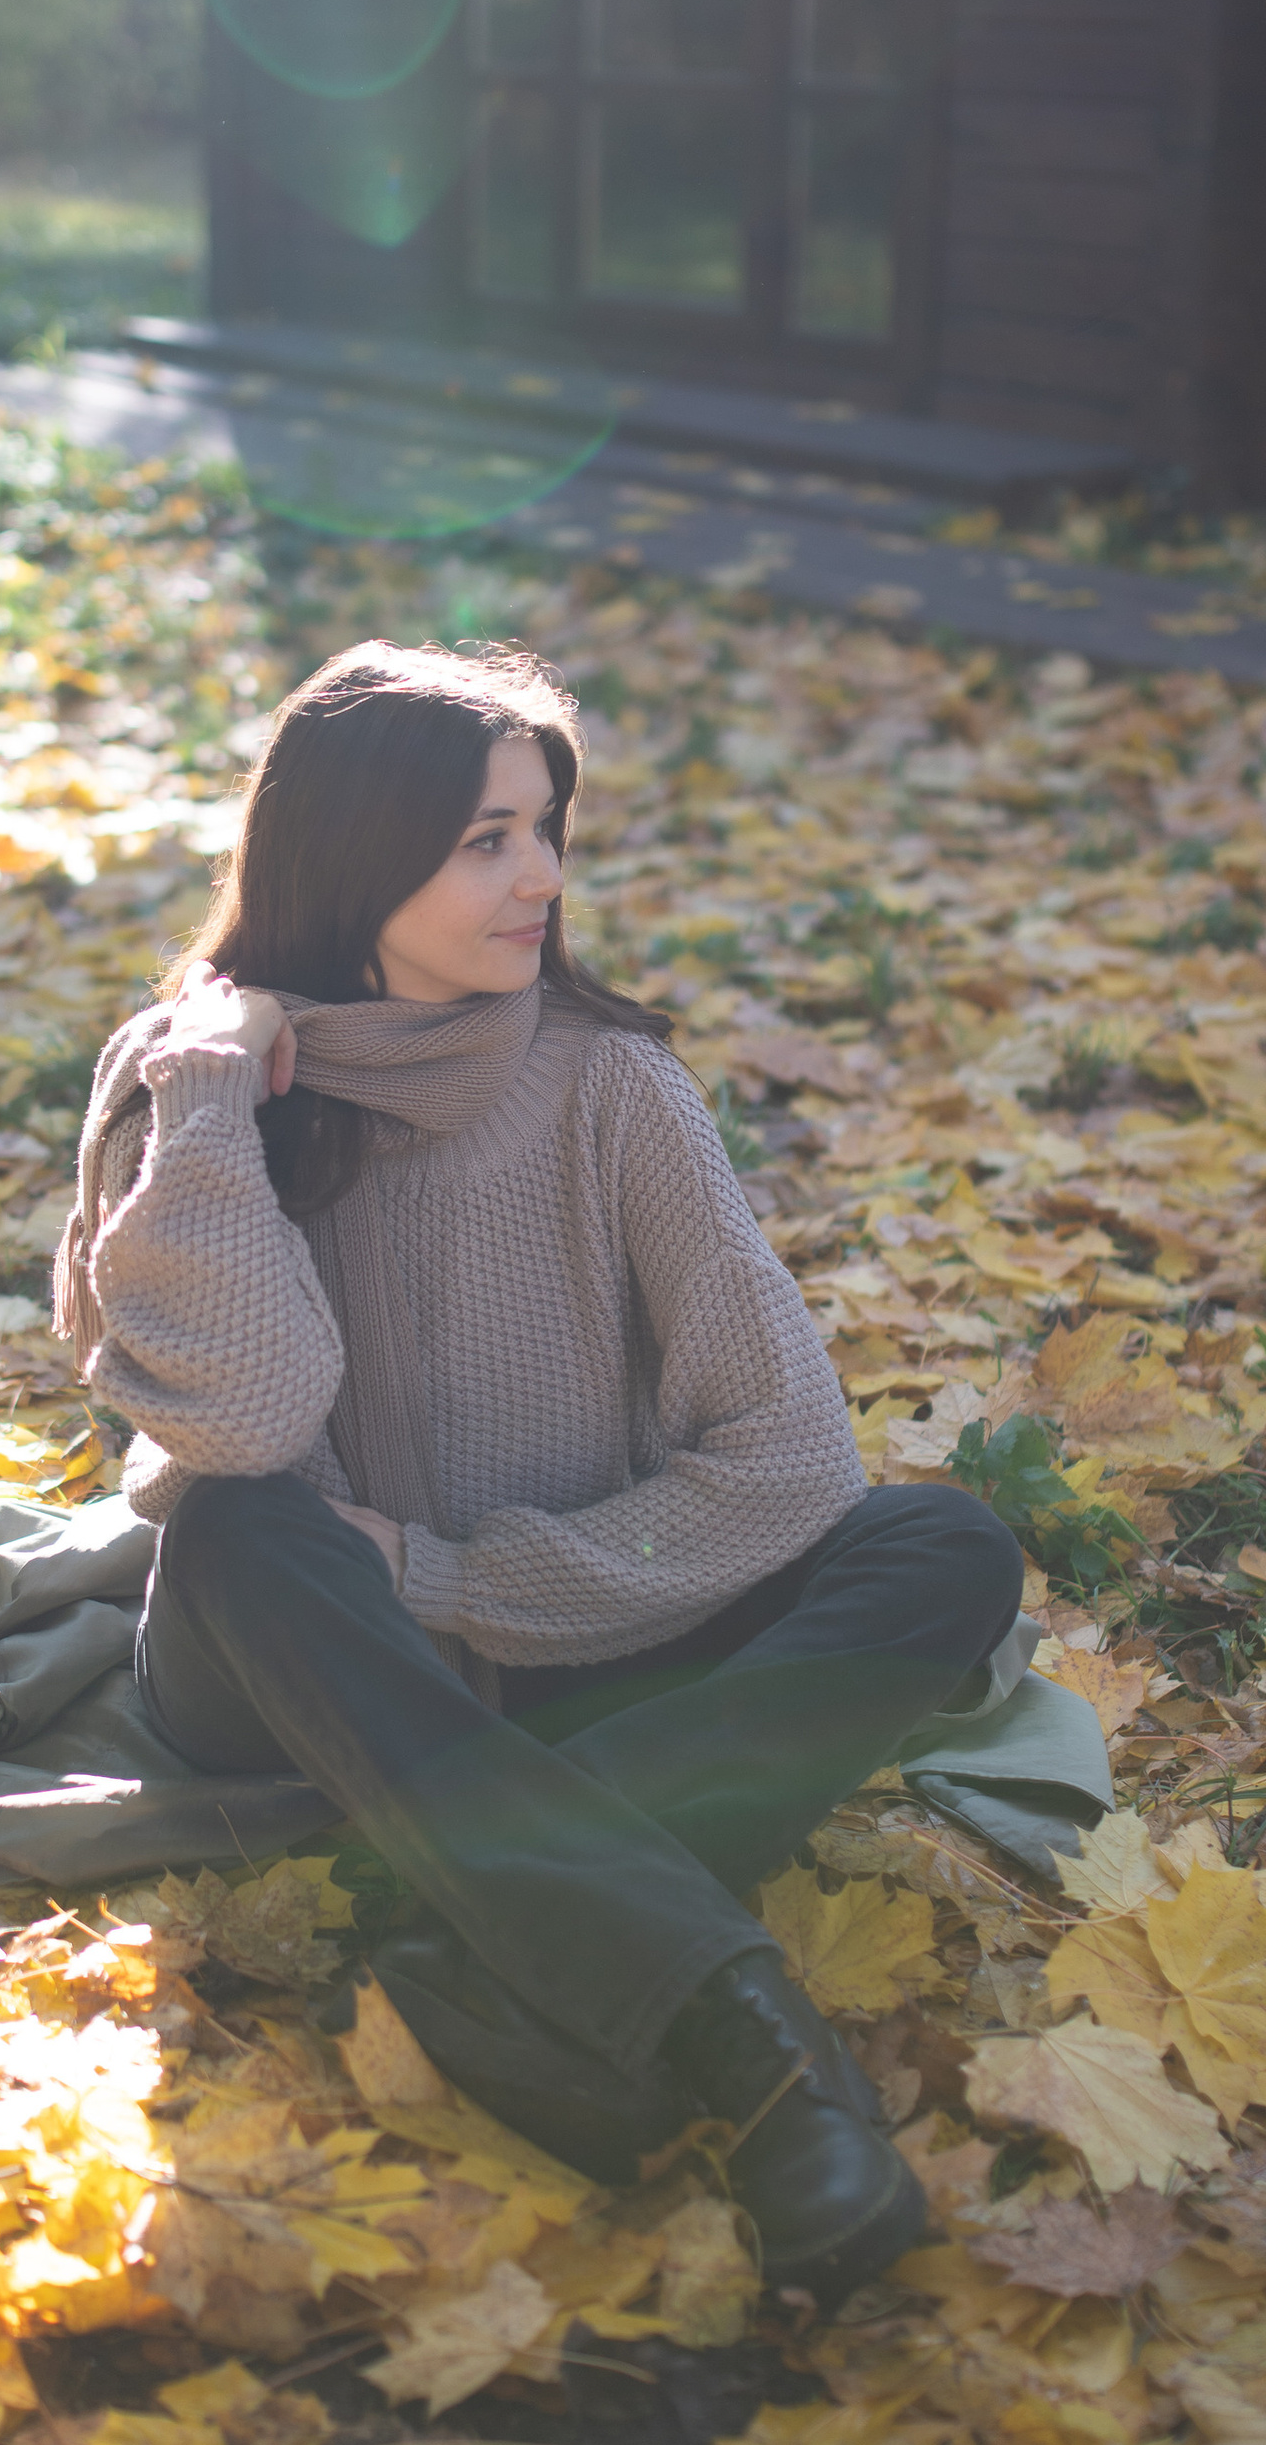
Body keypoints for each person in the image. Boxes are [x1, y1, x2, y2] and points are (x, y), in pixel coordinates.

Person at [54, 640, 1023, 2311]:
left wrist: (450, 1577)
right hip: (301, 1667)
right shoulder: (197, 1090)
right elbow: (253, 1417)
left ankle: (474, 1933)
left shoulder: (611, 1087)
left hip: (577, 1639)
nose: (543, 878)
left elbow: (791, 1456)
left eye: (545, 828)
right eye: (485, 840)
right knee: (239, 1528)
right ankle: (758, 2052)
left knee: (939, 1547)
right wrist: (211, 1098)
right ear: (354, 853)